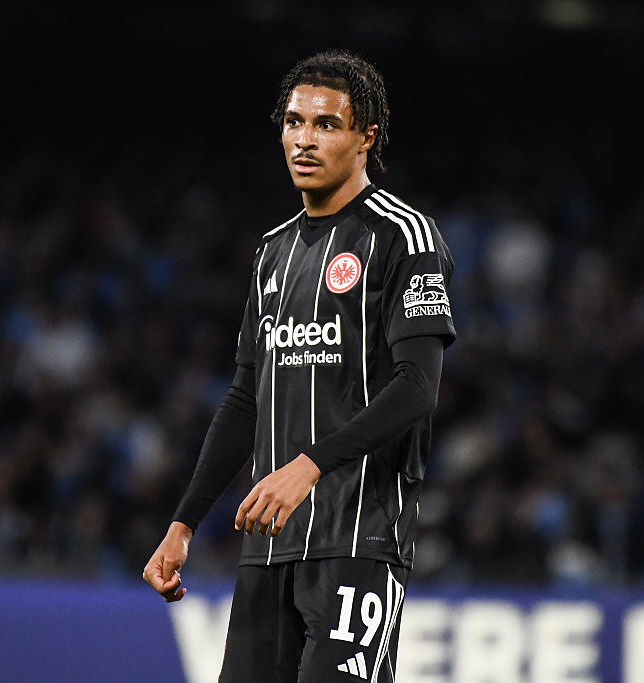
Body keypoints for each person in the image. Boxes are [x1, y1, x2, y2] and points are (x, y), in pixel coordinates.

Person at [143, 50, 456, 682]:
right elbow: (244, 398)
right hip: (268, 548)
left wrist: (307, 467)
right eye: (293, 122)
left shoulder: (404, 238)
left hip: (358, 540)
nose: (303, 140)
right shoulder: (271, 253)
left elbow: (417, 388)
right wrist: (183, 523)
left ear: (366, 137)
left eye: (326, 125)